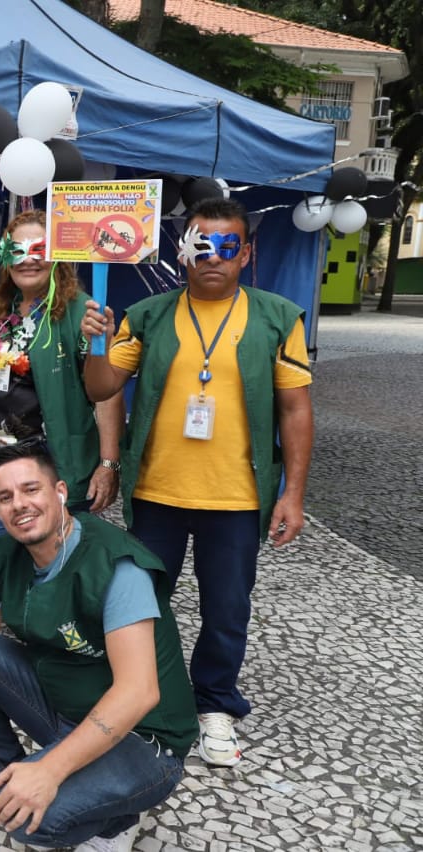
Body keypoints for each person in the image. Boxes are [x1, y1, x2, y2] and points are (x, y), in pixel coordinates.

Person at [80, 196, 313, 768]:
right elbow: (101, 388)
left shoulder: (279, 317)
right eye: (201, 244)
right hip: (155, 493)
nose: (214, 257)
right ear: (183, 251)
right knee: (140, 605)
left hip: (236, 498)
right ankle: (145, 701)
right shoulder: (150, 314)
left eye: (227, 245)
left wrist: (294, 494)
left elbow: (295, 410)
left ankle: (214, 705)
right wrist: (93, 341)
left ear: (247, 253)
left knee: (227, 608)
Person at [0, 442, 196, 852]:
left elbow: (139, 692)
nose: (19, 505)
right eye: (5, 497)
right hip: (67, 709)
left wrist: (48, 770)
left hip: (144, 736)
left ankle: (116, 821)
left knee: (31, 825)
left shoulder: (116, 564)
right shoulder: (5, 554)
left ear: (59, 491)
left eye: (31, 489)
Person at [0, 209, 124, 567]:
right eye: (17, 251)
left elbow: (106, 392)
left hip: (50, 457)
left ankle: (46, 616)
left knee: (55, 552)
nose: (28, 260)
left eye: (38, 250)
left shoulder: (82, 310)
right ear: (5, 257)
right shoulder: (1, 312)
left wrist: (109, 463)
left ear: (56, 255)